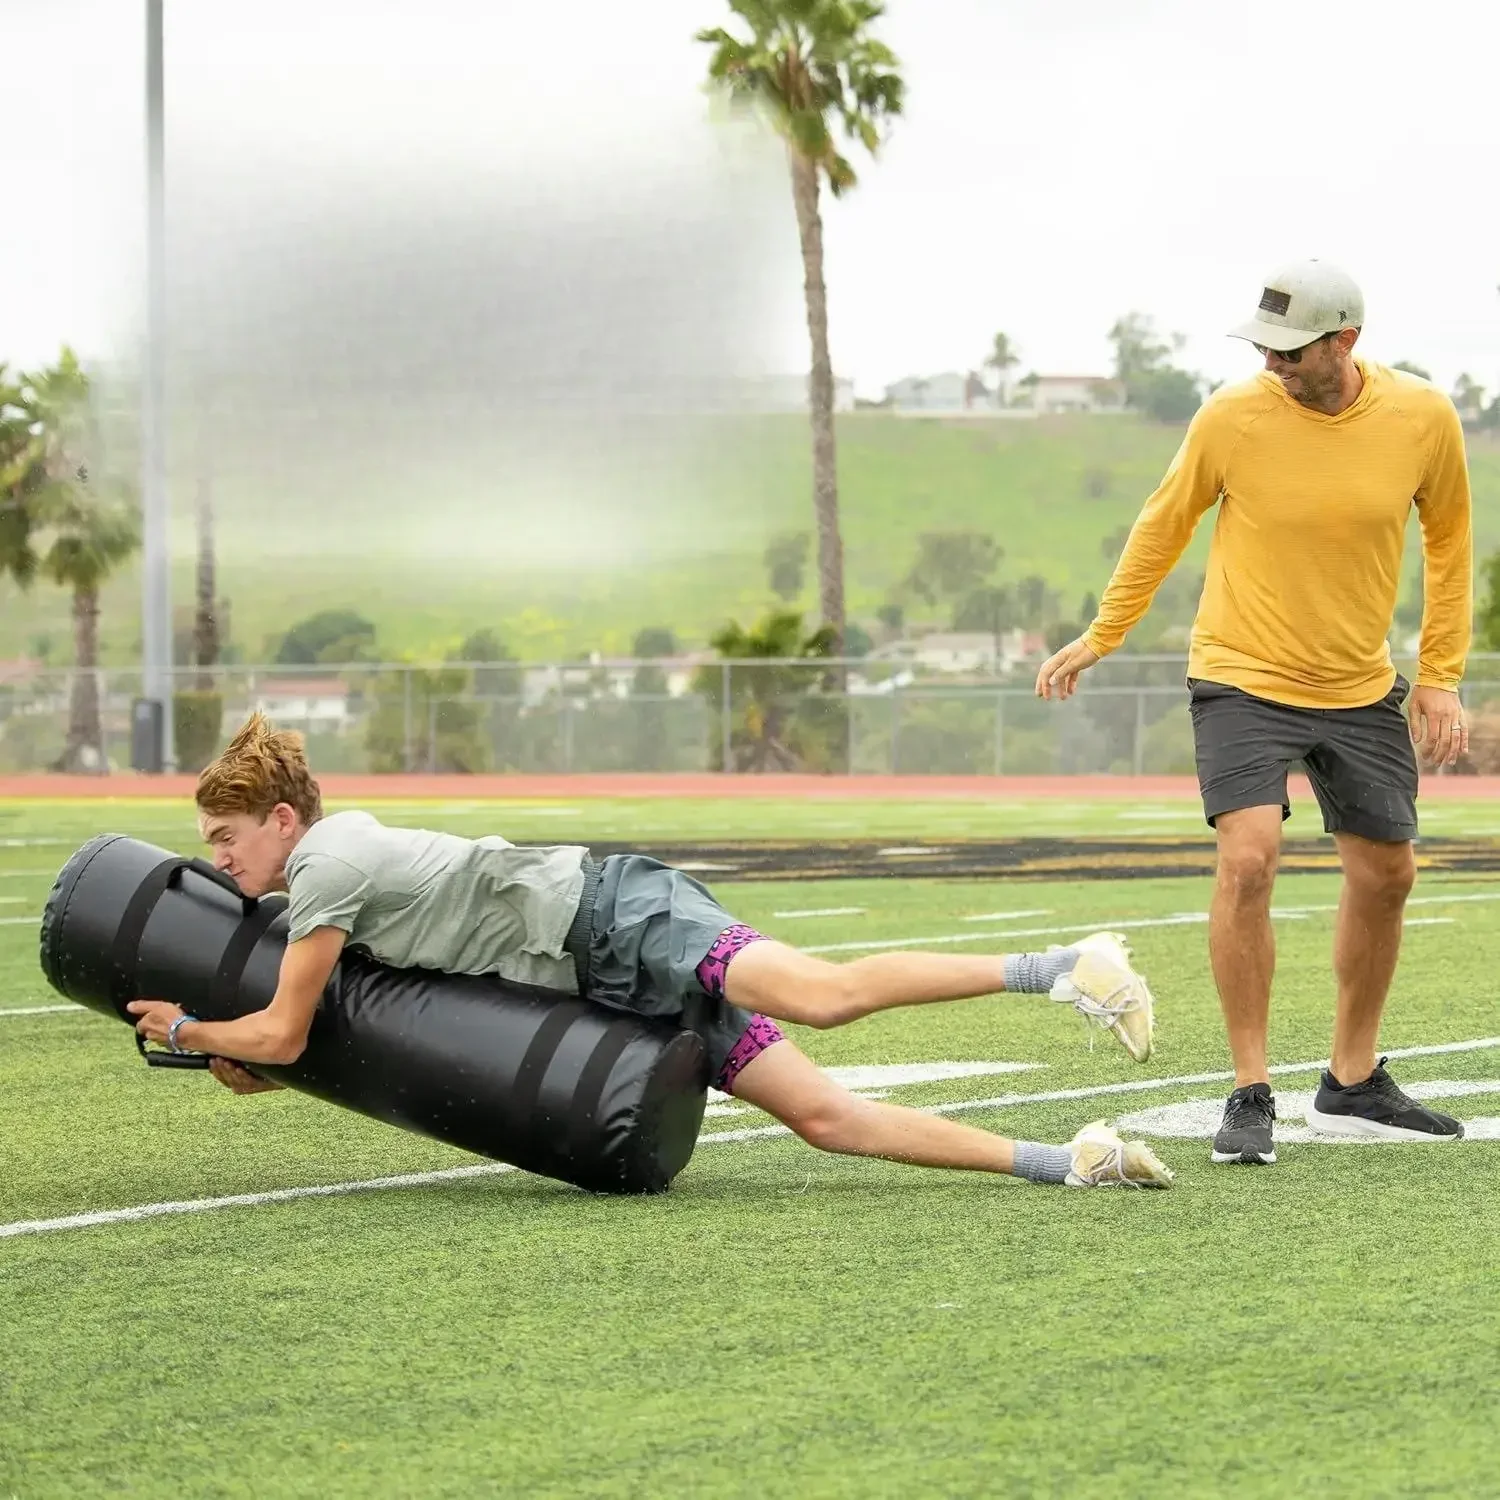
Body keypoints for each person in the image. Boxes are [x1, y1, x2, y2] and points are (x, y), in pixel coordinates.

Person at [127, 713, 1172, 1191]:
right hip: (603, 979)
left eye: (226, 840)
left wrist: (186, 1028)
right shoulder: (333, 876)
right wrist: (242, 1059)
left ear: (277, 819)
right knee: (827, 1119)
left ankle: (1064, 967)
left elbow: (288, 1025)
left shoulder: (325, 865)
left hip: (614, 916)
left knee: (824, 993)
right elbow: (309, 1041)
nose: (220, 864)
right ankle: (1073, 1161)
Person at [1035, 258, 1473, 1164]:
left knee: (1390, 874)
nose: (1272, 362)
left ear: (1345, 341)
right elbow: (1165, 520)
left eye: (1291, 348)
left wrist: (1439, 674)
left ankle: (1351, 1083)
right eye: (1263, 345)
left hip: (1359, 685)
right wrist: (1105, 633)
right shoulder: (1230, 417)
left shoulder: (1424, 418)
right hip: (1241, 674)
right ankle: (1250, 1089)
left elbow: (1452, 540)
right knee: (1249, 859)